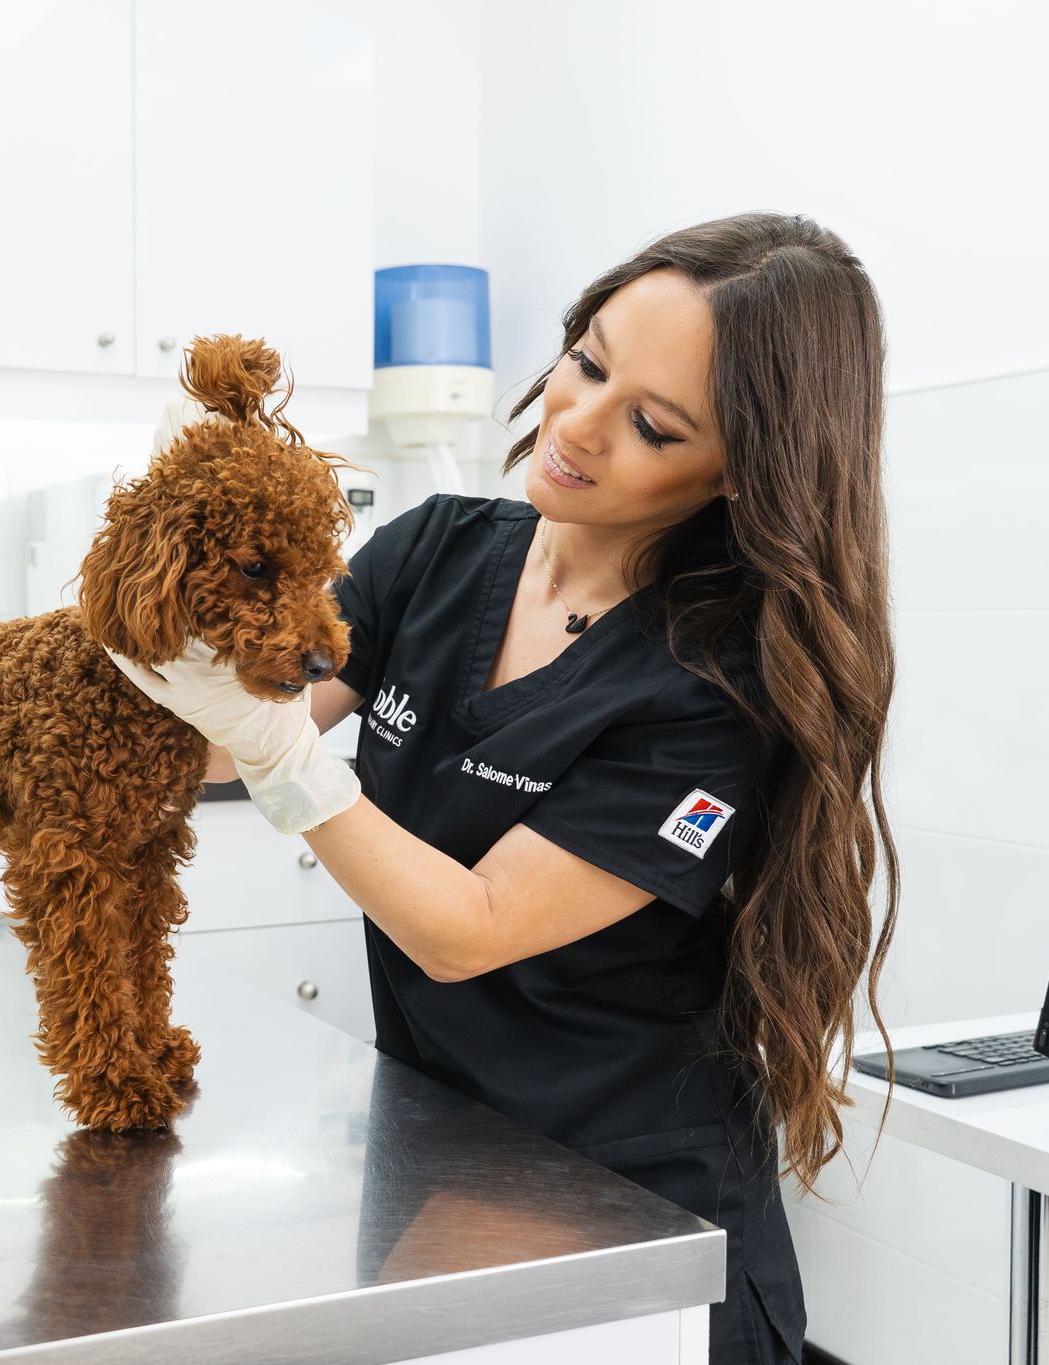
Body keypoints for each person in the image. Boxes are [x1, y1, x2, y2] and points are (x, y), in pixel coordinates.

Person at [108, 210, 902, 1365]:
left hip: (633, 1213)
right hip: (445, 1160)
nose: (575, 423)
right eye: (585, 360)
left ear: (742, 472)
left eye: (650, 424)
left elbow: (465, 932)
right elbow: (224, 742)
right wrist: (161, 611)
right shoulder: (435, 551)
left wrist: (286, 758)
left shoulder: (714, 683)